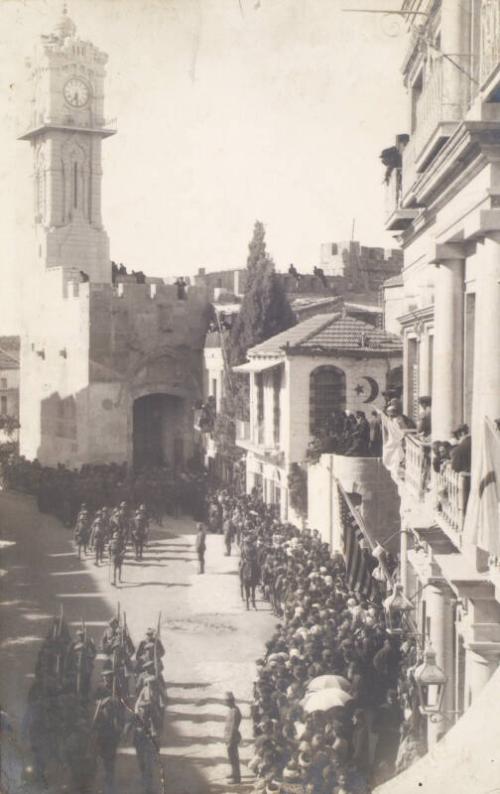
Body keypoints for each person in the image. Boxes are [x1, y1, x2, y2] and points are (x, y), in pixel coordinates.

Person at [224, 691, 242, 784]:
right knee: (231, 757)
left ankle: (236, 778)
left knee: (234, 758)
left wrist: (230, 740)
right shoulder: (232, 709)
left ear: (230, 701)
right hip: (229, 738)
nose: (224, 702)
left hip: (232, 738)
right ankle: (233, 773)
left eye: (226, 701)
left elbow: (234, 727)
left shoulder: (234, 711)